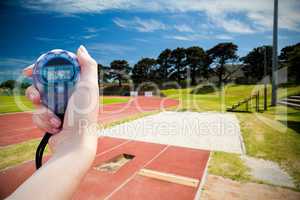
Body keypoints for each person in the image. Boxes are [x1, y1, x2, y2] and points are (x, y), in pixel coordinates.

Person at [7, 45, 99, 199]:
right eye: (52, 74)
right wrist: (75, 145)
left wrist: (75, 142)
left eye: (63, 73)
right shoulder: (63, 67)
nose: (58, 77)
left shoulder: (43, 68)